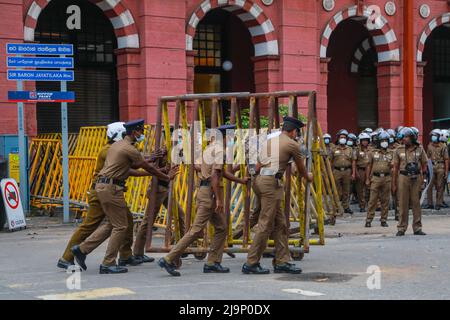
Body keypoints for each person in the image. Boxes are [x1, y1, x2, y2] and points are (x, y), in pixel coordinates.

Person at [71, 119, 179, 274]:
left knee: (113, 224)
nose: (142, 134)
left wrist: (152, 160)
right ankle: (107, 263)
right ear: (134, 132)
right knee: (121, 226)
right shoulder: (130, 149)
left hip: (103, 187)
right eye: (141, 131)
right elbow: (147, 167)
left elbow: (133, 165)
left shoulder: (116, 146)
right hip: (111, 188)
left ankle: (82, 249)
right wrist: (166, 176)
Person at [158, 124, 249, 277]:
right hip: (210, 195)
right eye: (232, 137)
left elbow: (223, 173)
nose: (232, 140)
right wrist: (219, 199)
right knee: (196, 230)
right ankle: (168, 258)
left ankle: (213, 262)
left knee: (221, 227)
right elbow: (214, 176)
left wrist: (240, 181)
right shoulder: (219, 150)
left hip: (206, 192)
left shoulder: (210, 148)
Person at [242, 116, 313, 275]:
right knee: (265, 224)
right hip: (270, 184)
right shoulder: (292, 144)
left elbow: (258, 165)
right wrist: (309, 177)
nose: (296, 135)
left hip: (260, 181)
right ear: (294, 131)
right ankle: (251, 262)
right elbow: (301, 169)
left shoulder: (270, 141)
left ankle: (282, 261)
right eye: (296, 132)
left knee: (280, 224)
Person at [57, 122, 126, 269]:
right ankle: (67, 257)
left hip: (105, 191)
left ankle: (127, 255)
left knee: (127, 220)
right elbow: (131, 165)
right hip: (100, 194)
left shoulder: (114, 149)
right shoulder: (110, 151)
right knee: (89, 226)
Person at [132, 148, 186, 261]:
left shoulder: (178, 153)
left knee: (180, 215)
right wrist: (165, 169)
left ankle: (182, 245)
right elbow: (152, 169)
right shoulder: (162, 152)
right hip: (158, 189)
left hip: (166, 189)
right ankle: (137, 253)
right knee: (148, 220)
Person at [392, 127, 428, 236]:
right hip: (403, 177)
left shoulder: (420, 149)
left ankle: (417, 228)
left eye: (407, 137)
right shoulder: (398, 150)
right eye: (403, 137)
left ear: (412, 138)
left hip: (416, 178)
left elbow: (424, 164)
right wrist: (394, 184)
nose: (404, 139)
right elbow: (395, 168)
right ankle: (401, 228)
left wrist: (424, 180)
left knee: (416, 203)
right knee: (403, 203)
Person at [365, 131, 393, 228]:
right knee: (372, 200)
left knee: (385, 200)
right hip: (375, 178)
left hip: (387, 178)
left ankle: (384, 220)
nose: (384, 142)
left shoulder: (391, 153)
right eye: (382, 140)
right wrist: (368, 179)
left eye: (386, 140)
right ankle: (369, 219)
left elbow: (394, 166)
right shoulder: (373, 152)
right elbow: (369, 166)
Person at [330, 129, 356, 214]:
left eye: (344, 137)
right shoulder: (334, 149)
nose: (343, 139)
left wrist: (353, 173)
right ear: (338, 138)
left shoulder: (350, 149)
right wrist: (330, 173)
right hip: (336, 171)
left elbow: (353, 161)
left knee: (346, 190)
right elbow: (330, 161)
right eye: (341, 137)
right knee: (337, 190)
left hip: (347, 171)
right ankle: (337, 206)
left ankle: (346, 207)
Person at [426, 129, 449, 210]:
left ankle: (438, 203)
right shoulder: (429, 146)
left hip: (440, 167)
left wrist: (446, 172)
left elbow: (446, 159)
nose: (433, 137)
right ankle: (430, 203)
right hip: (431, 167)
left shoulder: (443, 146)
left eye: (435, 136)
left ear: (439, 136)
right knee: (429, 186)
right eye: (432, 136)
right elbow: (427, 158)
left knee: (440, 186)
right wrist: (427, 169)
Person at [355, 133, 371, 213]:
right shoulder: (357, 150)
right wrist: (355, 172)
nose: (365, 142)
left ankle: (370, 205)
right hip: (360, 170)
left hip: (370, 171)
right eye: (363, 140)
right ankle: (362, 206)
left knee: (369, 188)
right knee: (360, 189)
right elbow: (354, 161)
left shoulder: (371, 149)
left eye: (366, 140)